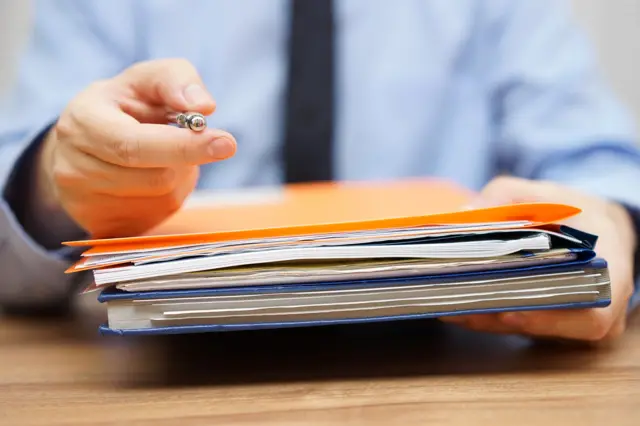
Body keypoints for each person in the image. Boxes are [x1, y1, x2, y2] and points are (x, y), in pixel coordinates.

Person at [0, 0, 638, 343]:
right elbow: (17, 195)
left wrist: (612, 219)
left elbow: (599, 165)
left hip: (455, 358)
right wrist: (56, 184)